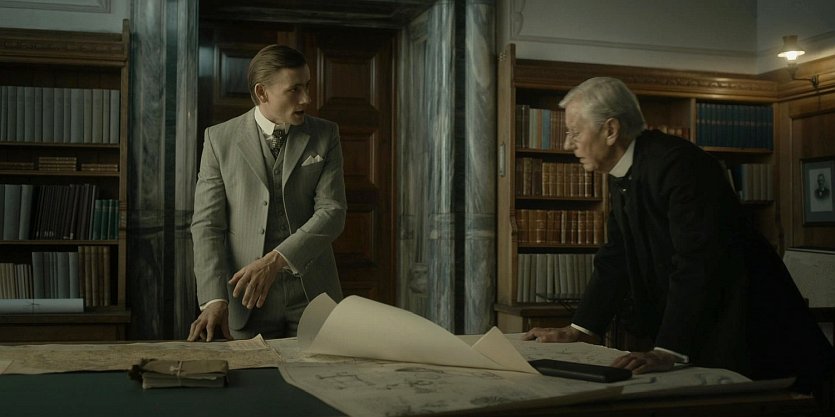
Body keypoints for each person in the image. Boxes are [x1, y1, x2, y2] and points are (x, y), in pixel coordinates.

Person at [524, 77, 834, 392]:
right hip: (710, 329)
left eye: (575, 132)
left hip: (755, 331)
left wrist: (669, 349)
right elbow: (616, 257)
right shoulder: (627, 169)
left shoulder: (678, 164)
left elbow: (698, 260)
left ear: (611, 130)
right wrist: (580, 329)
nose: (568, 145)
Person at [188, 45, 346, 342]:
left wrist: (275, 260)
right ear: (262, 92)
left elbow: (332, 211)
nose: (306, 99)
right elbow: (207, 224)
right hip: (246, 300)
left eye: (307, 86)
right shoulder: (219, 139)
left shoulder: (326, 135)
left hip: (313, 295)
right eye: (295, 89)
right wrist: (214, 299)